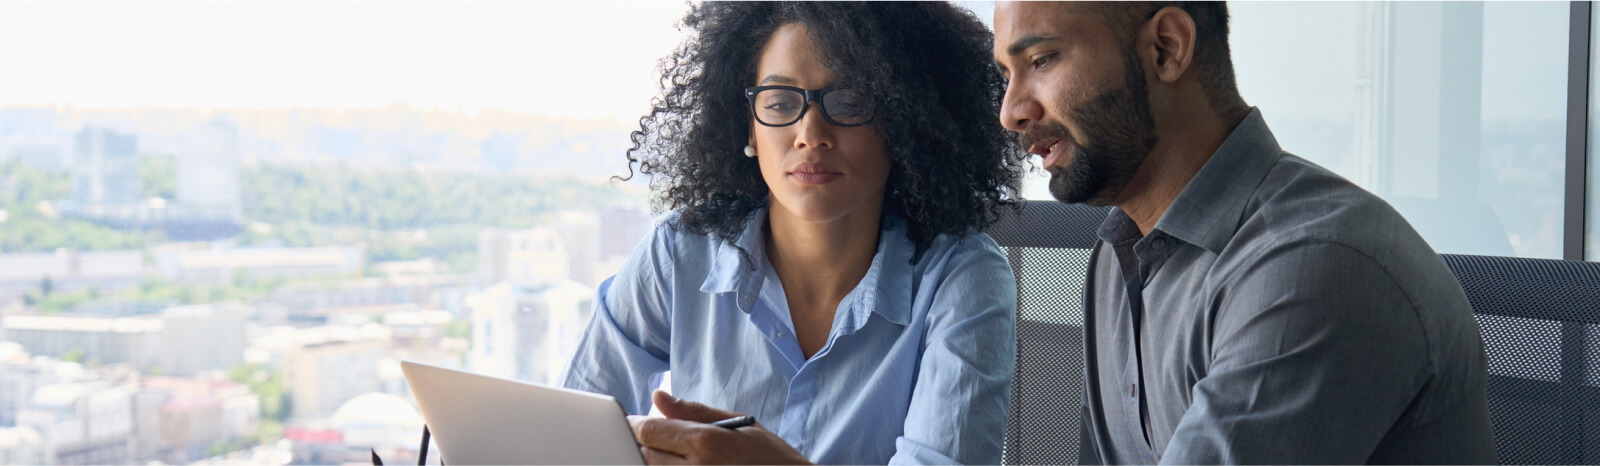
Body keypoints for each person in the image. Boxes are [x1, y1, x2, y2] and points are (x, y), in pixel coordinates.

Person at [991, 2, 1496, 464]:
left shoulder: (1310, 266)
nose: (1011, 112)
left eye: (1041, 60)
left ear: (1167, 47)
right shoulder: (1119, 251)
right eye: (1006, 75)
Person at [561, 2, 1024, 464]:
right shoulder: (679, 251)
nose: (810, 134)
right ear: (749, 126)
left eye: (849, 101)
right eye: (780, 103)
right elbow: (571, 431)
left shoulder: (963, 276)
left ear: (904, 122)